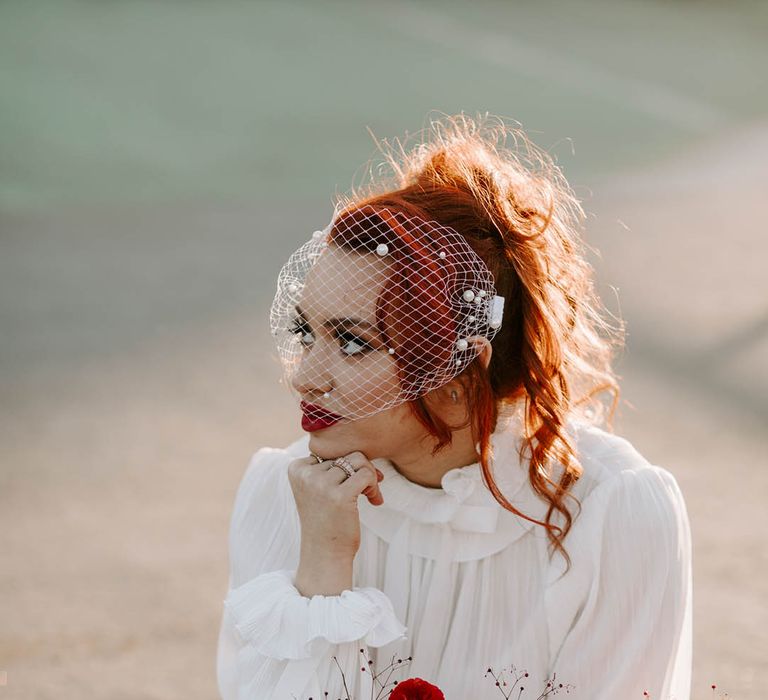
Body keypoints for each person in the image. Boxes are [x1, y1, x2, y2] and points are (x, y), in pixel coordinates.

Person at [216, 115, 692, 700]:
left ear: (457, 375)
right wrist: (324, 564)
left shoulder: (611, 514)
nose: (305, 378)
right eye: (305, 331)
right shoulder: (288, 495)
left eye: (353, 341)